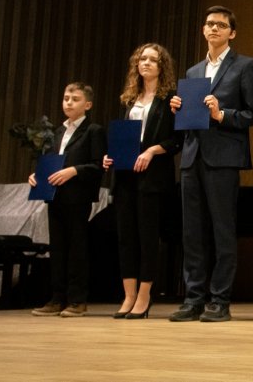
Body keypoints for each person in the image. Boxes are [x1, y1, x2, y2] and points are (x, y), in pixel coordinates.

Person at [168, 5, 253, 323]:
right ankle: (194, 297)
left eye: (221, 25)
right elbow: (188, 119)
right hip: (192, 156)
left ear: (231, 33)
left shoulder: (244, 66)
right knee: (192, 232)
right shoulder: (194, 72)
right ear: (203, 30)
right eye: (209, 24)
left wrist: (222, 114)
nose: (214, 29)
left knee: (223, 231)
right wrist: (177, 108)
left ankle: (219, 299)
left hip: (224, 158)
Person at [103, 43, 182, 319]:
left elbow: (177, 140)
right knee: (126, 237)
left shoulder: (170, 99)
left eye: (152, 59)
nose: (146, 63)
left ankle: (145, 296)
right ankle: (129, 295)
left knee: (148, 237)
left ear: (162, 66)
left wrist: (151, 151)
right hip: (124, 176)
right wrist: (109, 156)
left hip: (153, 178)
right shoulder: (129, 99)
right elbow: (121, 137)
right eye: (142, 59)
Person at [29, 82, 105, 317]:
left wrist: (73, 171)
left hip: (77, 196)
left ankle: (77, 299)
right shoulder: (57, 132)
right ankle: (56, 297)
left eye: (75, 99)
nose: (69, 102)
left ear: (88, 104)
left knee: (77, 248)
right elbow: (49, 162)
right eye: (66, 98)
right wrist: (36, 175)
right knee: (58, 248)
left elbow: (97, 166)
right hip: (55, 196)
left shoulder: (93, 130)